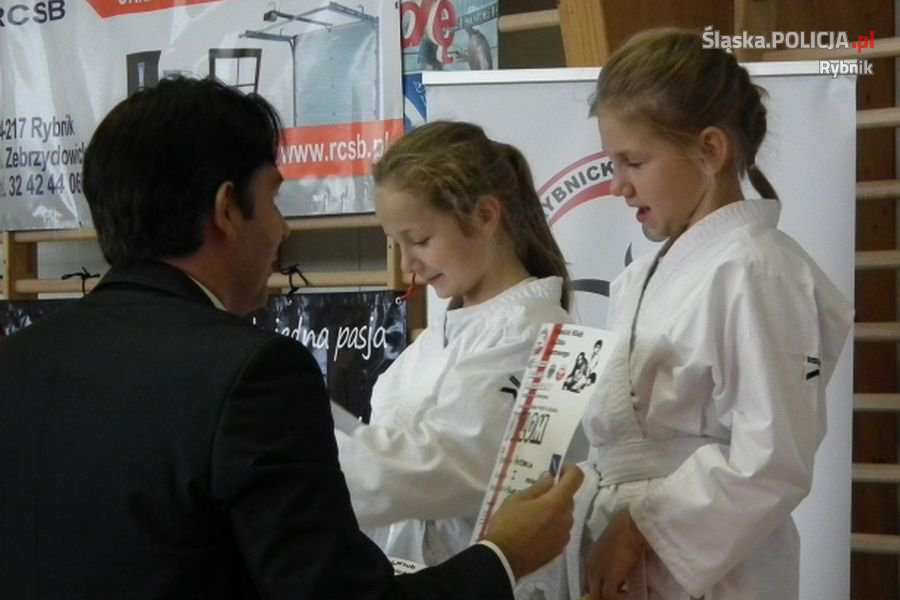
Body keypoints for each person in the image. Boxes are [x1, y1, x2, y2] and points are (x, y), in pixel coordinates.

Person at [0, 76, 585, 600]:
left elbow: (443, 465)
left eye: (420, 240)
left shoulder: (18, 363)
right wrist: (501, 558)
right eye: (275, 199)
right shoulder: (246, 375)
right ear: (228, 210)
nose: (283, 229)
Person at [569, 29, 853, 599]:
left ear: (710, 150)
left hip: (715, 562)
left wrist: (642, 525)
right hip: (625, 538)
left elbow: (771, 459)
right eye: (612, 163)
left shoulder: (758, 271)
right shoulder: (640, 277)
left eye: (634, 161)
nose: (618, 186)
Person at [335, 120, 572, 567]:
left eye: (420, 241)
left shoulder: (536, 334)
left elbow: (451, 463)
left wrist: (306, 465)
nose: (408, 265)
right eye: (397, 245)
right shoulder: (435, 342)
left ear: (485, 215)